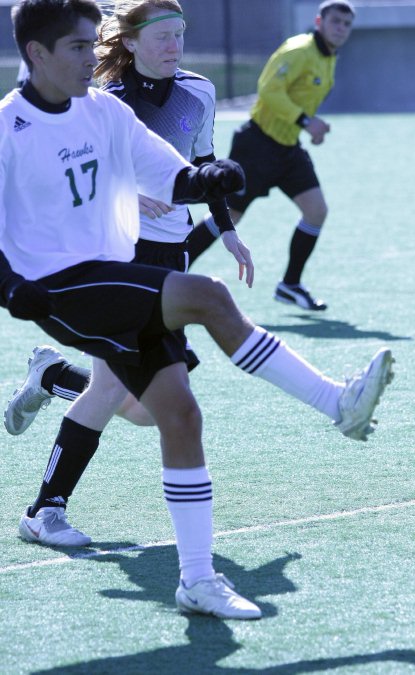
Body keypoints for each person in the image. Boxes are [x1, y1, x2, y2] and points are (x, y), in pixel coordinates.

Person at [1, 0, 393, 621]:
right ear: (37, 54)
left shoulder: (104, 110)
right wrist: (8, 286)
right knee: (208, 299)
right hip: (61, 288)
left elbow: (172, 172)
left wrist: (210, 182)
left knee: (176, 415)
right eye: (76, 48)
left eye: (89, 44)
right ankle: (336, 404)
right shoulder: (8, 127)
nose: (89, 56)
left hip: (121, 273)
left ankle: (196, 581)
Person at [4, 0, 253, 435]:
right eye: (163, 36)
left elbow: (197, 164)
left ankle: (53, 377)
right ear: (133, 42)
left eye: (180, 34)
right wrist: (125, 194)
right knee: (133, 395)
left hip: (172, 248)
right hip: (118, 247)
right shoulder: (99, 101)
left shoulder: (198, 92)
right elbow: (66, 176)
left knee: (142, 409)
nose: (174, 45)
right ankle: (49, 501)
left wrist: (226, 228)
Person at [188, 0, 355, 311]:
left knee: (316, 210)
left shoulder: (328, 57)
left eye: (347, 24)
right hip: (257, 147)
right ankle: (172, 270)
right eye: (336, 21)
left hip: (288, 150)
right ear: (319, 21)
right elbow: (268, 90)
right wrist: (307, 121)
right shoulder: (299, 50)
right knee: (228, 217)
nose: (341, 29)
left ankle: (289, 285)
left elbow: (298, 99)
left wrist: (309, 128)